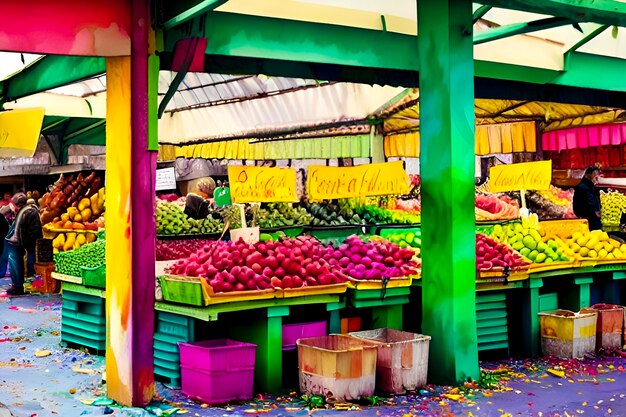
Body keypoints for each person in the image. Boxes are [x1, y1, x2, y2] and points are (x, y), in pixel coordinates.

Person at [5, 193, 42, 295]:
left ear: (18, 204)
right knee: (19, 263)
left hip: (26, 243)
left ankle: (20, 286)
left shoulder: (29, 211)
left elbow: (33, 231)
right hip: (24, 243)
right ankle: (21, 285)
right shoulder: (24, 211)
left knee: (21, 262)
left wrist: (26, 243)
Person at [573, 166, 602, 231]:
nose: (596, 177)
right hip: (589, 218)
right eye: (594, 174)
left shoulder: (589, 185)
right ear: (588, 174)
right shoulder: (584, 187)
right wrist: (596, 212)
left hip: (590, 216)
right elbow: (590, 200)